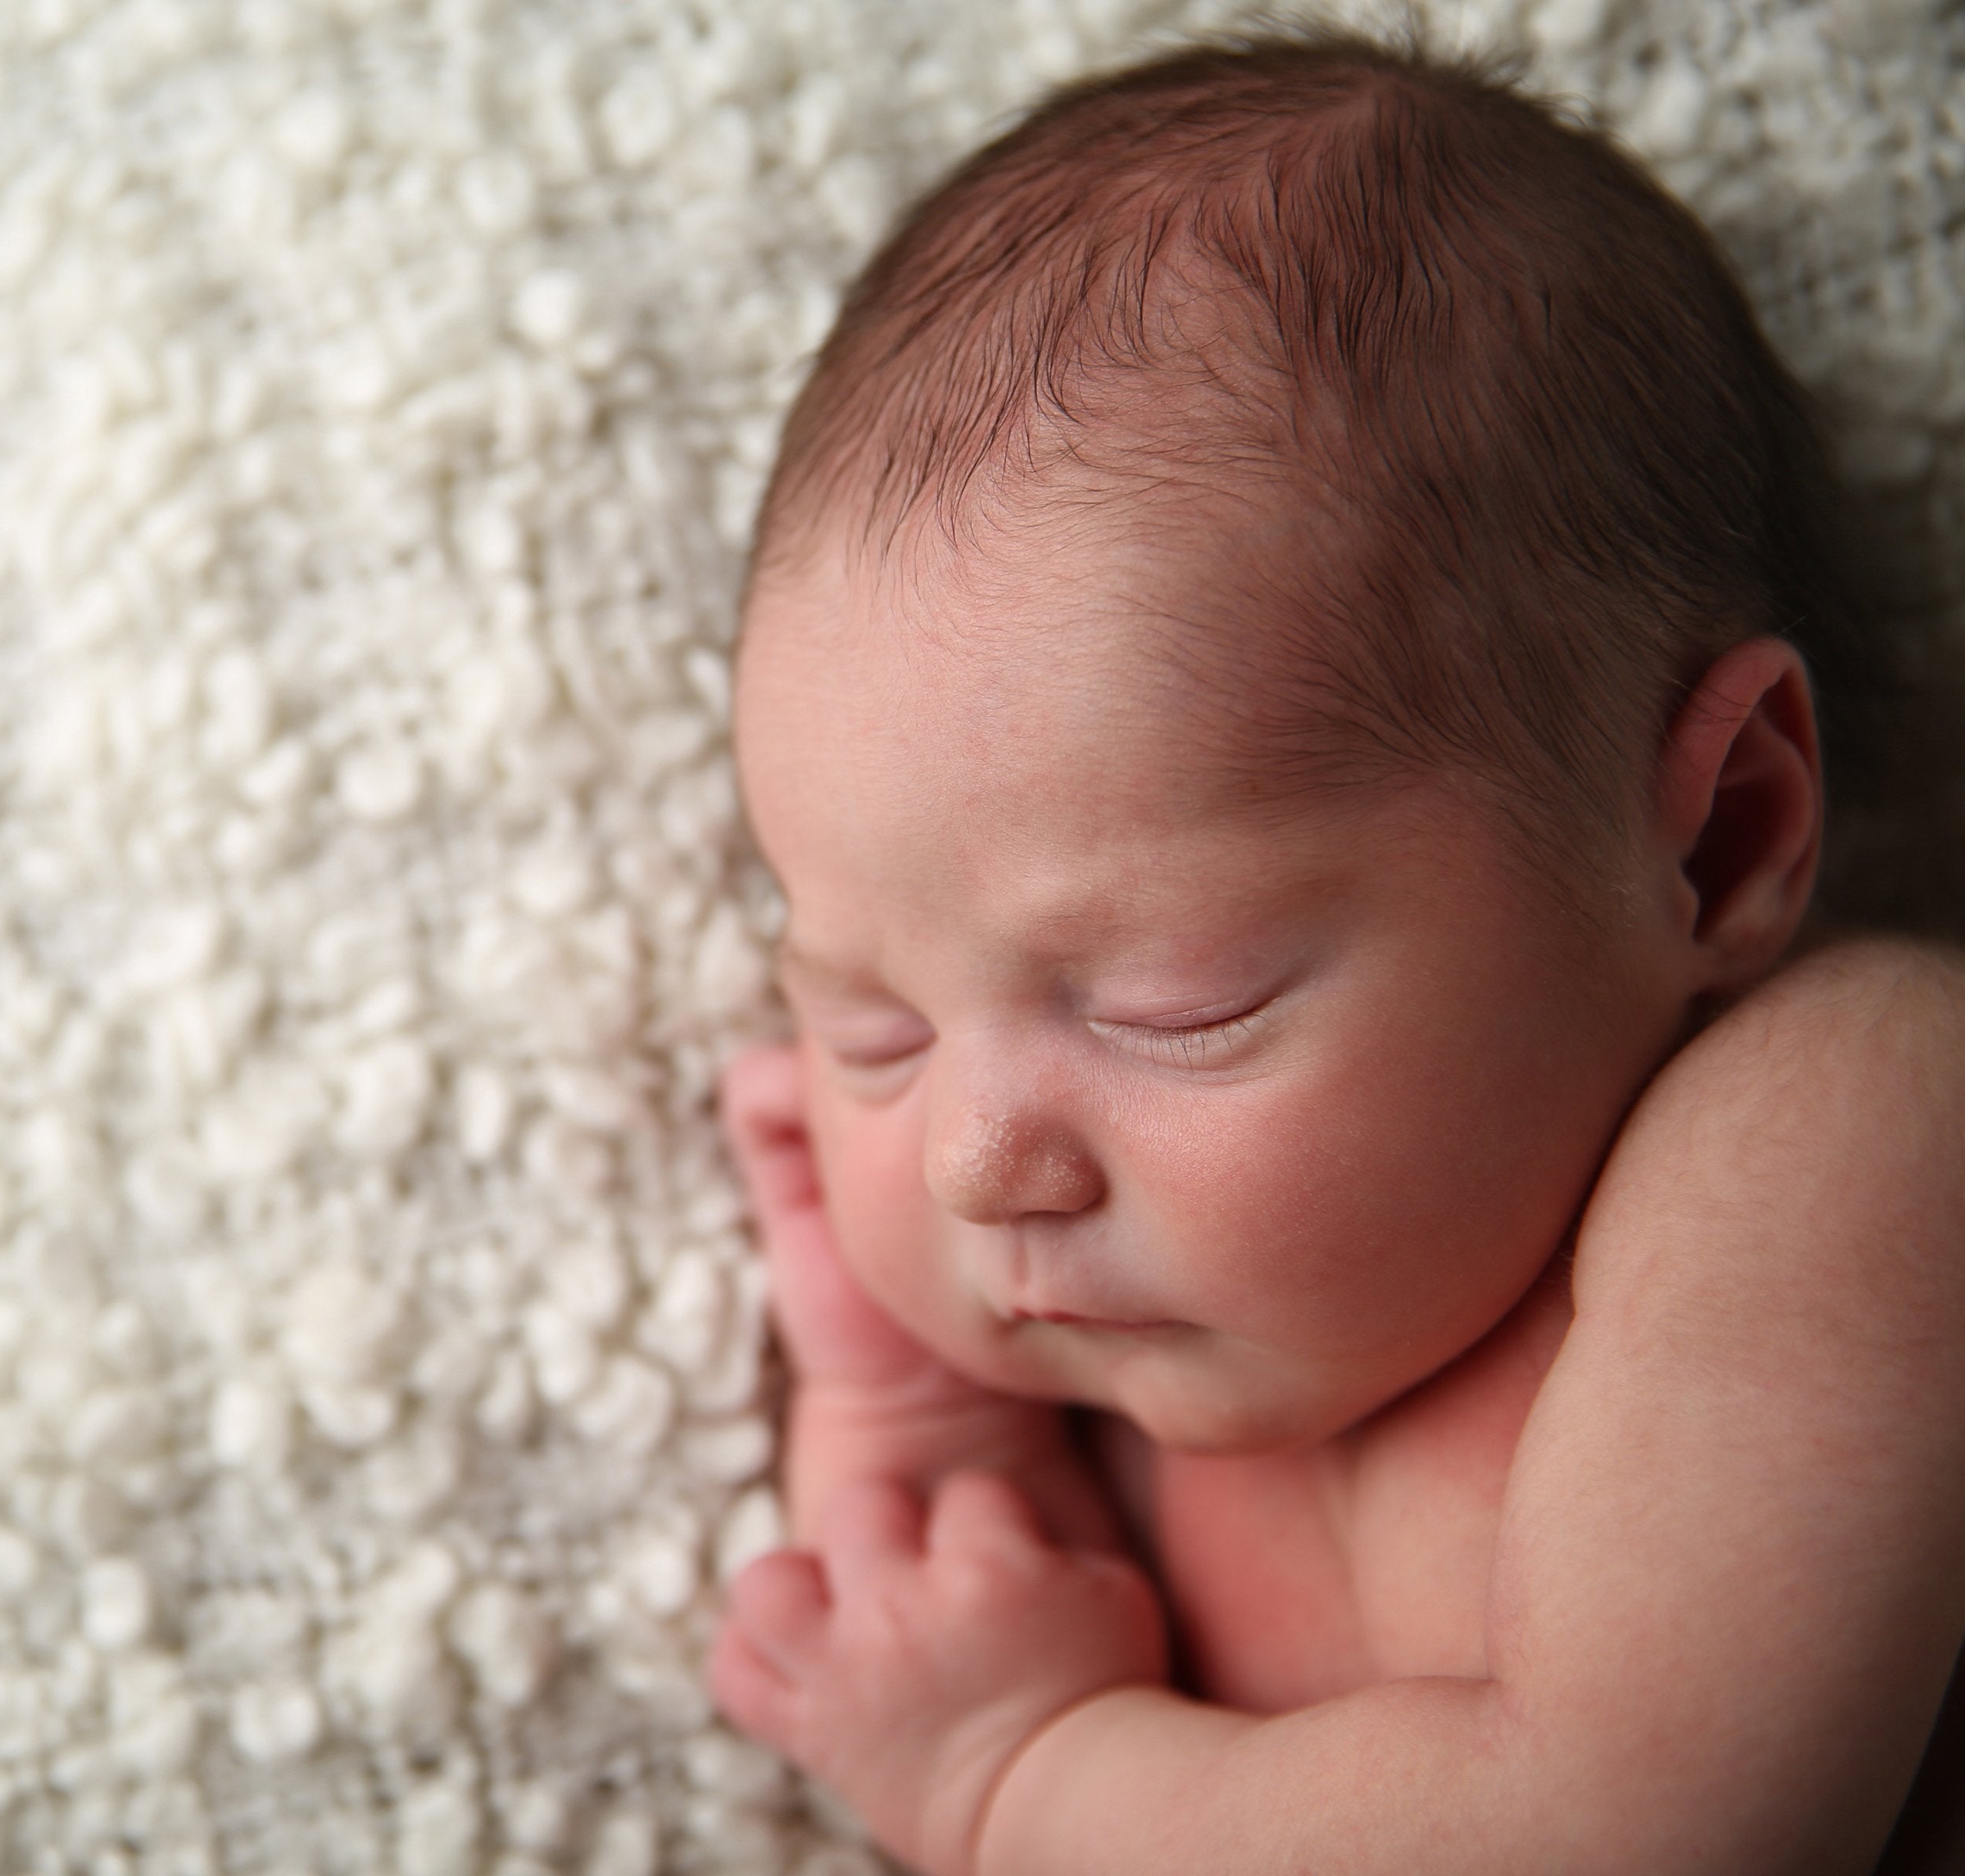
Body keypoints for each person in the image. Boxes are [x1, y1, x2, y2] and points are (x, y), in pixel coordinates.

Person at [704, 29, 1965, 1876]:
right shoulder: (1160, 1346)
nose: (978, 1165)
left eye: (1171, 1002)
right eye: (873, 1026)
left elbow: (1637, 1835)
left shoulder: (1837, 1127)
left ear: (1718, 839)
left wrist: (1011, 1780)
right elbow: (949, 1632)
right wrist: (921, 1426)